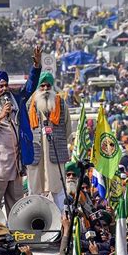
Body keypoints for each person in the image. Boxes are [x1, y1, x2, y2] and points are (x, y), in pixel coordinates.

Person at [0, 47, 42, 215]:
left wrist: (36, 66)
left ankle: (16, 234)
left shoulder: (17, 98)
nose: (4, 89)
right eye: (0, 86)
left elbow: (31, 85)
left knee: (16, 205)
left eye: (5, 85)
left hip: (16, 163)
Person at [26, 71, 72, 210]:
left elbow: (68, 129)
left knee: (58, 189)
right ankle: (35, 217)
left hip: (55, 152)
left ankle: (62, 221)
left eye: (48, 86)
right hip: (35, 152)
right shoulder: (30, 104)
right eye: (42, 86)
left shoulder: (61, 104)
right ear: (38, 87)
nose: (45, 89)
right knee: (34, 188)